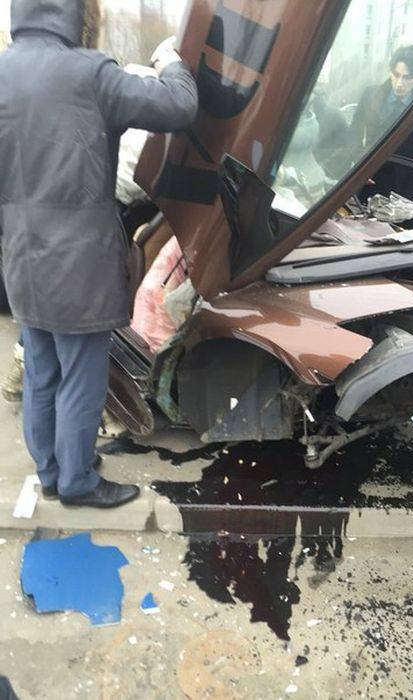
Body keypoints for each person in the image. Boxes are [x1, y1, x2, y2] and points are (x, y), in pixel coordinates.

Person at [0, 0, 198, 508]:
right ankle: (78, 482)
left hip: (22, 254)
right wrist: (169, 61)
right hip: (79, 260)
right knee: (82, 375)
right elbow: (178, 107)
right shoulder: (90, 73)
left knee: (42, 368)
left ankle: (51, 471)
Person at [347, 45, 413, 202]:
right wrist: (359, 169)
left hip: (400, 186)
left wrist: (409, 195)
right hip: (368, 177)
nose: (399, 83)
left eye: (406, 77)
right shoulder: (371, 94)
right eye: (396, 75)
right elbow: (353, 134)